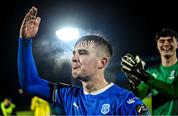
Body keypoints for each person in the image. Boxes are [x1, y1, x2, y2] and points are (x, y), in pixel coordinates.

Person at [17, 6, 150, 115]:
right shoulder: (68, 95)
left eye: (82, 53)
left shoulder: (125, 102)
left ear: (102, 62)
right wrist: (25, 41)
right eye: (73, 53)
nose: (74, 58)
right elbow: (30, 83)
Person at [121, 28, 178, 115]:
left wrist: (143, 75)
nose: (166, 43)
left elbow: (174, 92)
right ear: (157, 45)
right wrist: (134, 81)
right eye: (162, 41)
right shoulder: (151, 71)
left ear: (177, 44)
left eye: (170, 40)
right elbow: (139, 95)